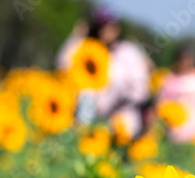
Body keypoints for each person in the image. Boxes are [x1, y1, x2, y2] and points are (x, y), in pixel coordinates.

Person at [57, 8, 154, 137]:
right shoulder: (87, 47)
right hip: (89, 113)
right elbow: (63, 64)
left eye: (111, 27)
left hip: (121, 112)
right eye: (102, 27)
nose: (107, 31)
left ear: (118, 28)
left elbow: (141, 89)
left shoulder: (128, 51)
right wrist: (77, 36)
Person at [156, 47, 195, 143]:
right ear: (177, 60)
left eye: (188, 59)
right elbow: (161, 104)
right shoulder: (169, 79)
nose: (185, 63)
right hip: (174, 127)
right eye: (182, 59)